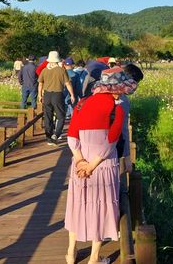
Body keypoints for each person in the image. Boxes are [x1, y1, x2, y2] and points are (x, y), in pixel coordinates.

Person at [64, 68, 138, 264]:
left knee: (77, 204)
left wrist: (80, 161)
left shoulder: (81, 104)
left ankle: (71, 253)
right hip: (102, 166)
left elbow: (72, 136)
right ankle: (94, 258)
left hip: (79, 163)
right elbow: (111, 141)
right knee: (101, 207)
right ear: (116, 89)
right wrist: (92, 165)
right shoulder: (117, 109)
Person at [38, 51, 76, 146]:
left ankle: (48, 137)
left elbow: (40, 84)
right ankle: (56, 134)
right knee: (61, 116)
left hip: (46, 95)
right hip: (57, 95)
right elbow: (68, 83)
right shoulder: (61, 70)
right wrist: (72, 95)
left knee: (48, 116)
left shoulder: (44, 70)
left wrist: (39, 95)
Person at [118, 63, 144, 174]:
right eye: (136, 83)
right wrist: (127, 157)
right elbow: (123, 130)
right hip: (110, 148)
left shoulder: (104, 91)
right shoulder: (122, 100)